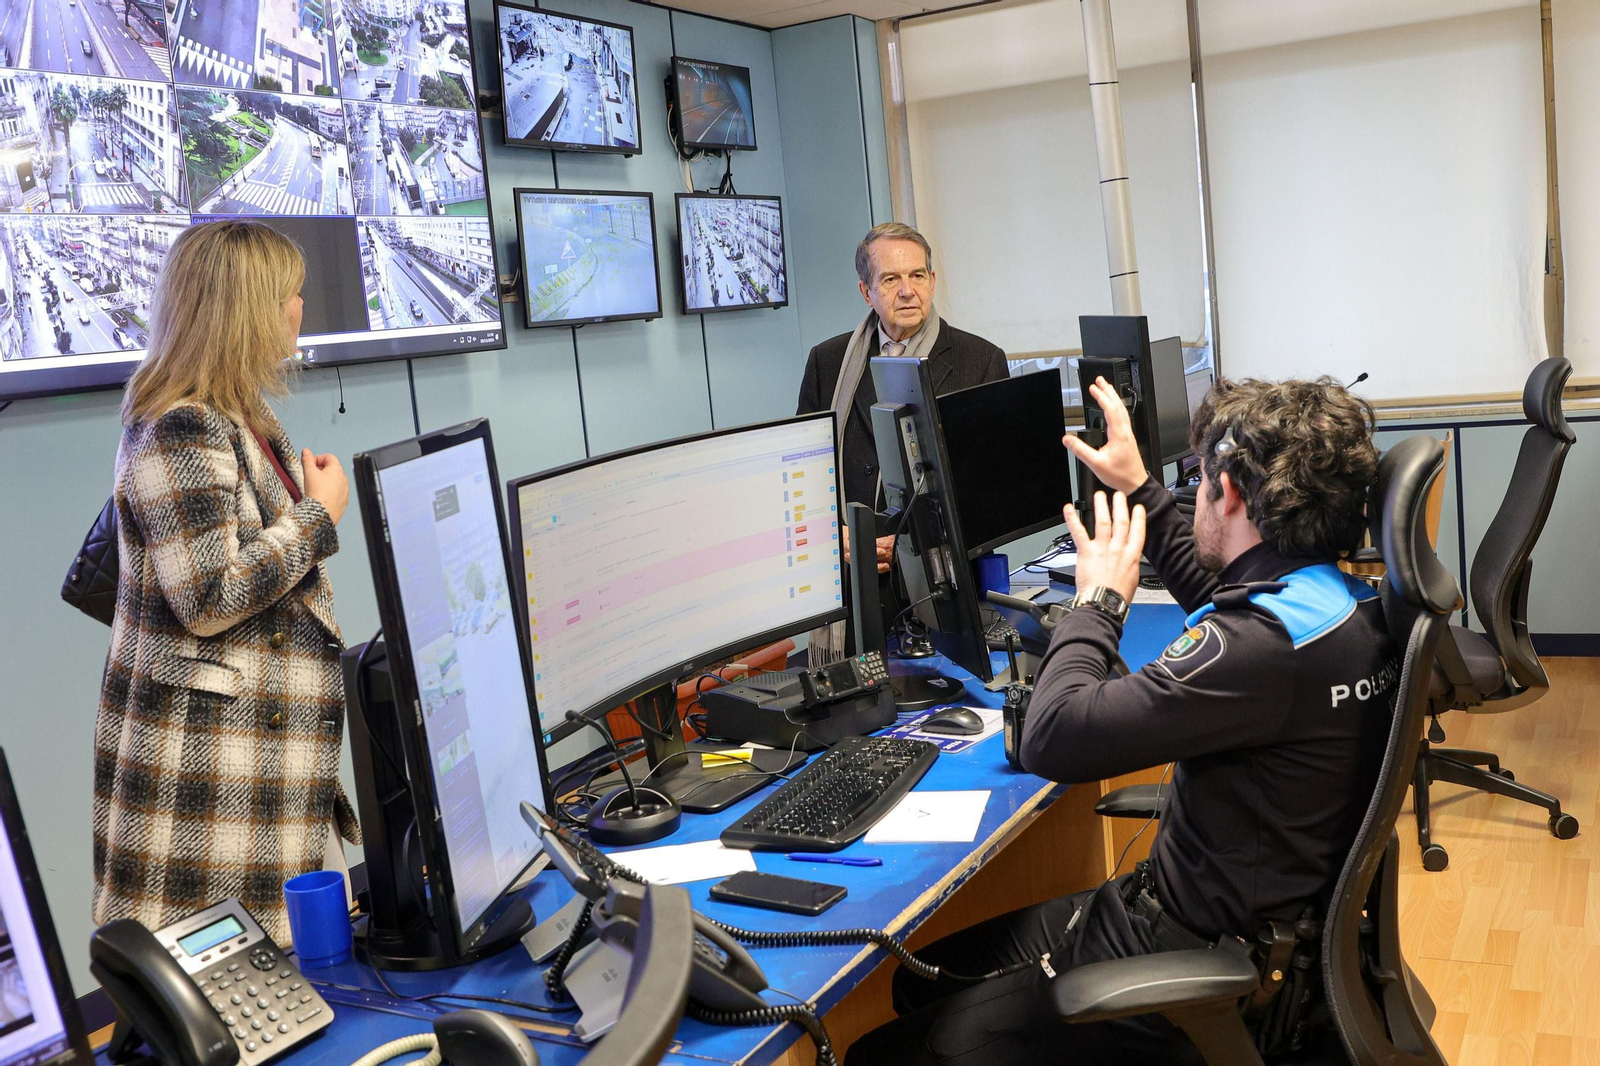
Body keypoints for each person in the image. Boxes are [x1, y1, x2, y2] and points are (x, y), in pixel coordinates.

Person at [845, 376, 1394, 1065]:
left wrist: (1098, 601)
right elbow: (1226, 591)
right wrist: (1142, 489)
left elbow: (1052, 736)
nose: (1195, 491)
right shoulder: (1343, 607)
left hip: (1193, 966)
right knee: (919, 977)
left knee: (884, 1052)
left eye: (1200, 480)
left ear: (1227, 495)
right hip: (1252, 937)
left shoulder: (1257, 652)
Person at [91, 220, 360, 945]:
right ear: (250, 310)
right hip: (208, 782)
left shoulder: (237, 417)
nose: (301, 308)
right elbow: (209, 598)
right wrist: (318, 515)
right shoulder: (180, 426)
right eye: (290, 295)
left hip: (259, 767)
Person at [796, 223, 1008, 577]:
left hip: (943, 578)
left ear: (933, 281)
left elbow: (995, 486)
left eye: (917, 276)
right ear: (867, 291)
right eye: (891, 279)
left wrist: (916, 543)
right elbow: (804, 472)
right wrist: (835, 536)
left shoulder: (980, 360)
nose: (908, 291)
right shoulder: (828, 361)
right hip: (852, 578)